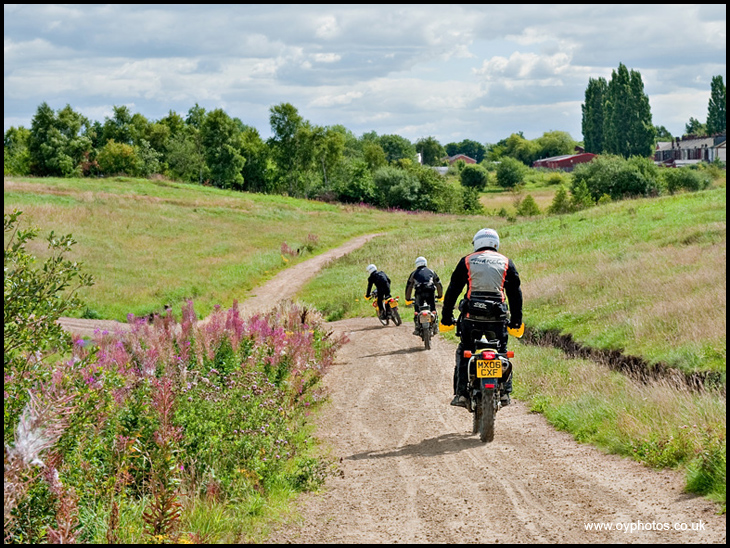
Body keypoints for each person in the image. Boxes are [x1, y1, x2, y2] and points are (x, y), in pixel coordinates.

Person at [440, 228, 523, 408]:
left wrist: (446, 317)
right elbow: (515, 294)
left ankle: (462, 394)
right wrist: (516, 321)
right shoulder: (506, 262)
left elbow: (453, 290)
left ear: (477, 243)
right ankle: (505, 393)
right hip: (497, 319)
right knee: (501, 351)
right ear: (496, 243)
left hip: (471, 318)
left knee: (465, 350)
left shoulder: (467, 261)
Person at [405, 256, 443, 336]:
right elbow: (438, 284)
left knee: (417, 311)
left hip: (419, 293)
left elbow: (409, 286)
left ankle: (417, 328)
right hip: (430, 291)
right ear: (425, 263)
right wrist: (440, 295)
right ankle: (435, 327)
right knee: (433, 309)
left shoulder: (414, 273)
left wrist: (408, 298)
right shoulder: (431, 272)